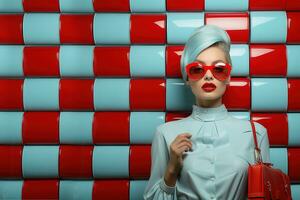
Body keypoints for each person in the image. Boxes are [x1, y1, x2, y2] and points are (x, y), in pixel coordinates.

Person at [143, 24, 271, 200]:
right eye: (197, 69)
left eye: (218, 69)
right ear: (187, 78)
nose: (208, 76)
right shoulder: (165, 134)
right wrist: (172, 169)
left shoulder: (256, 134)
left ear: (228, 76)